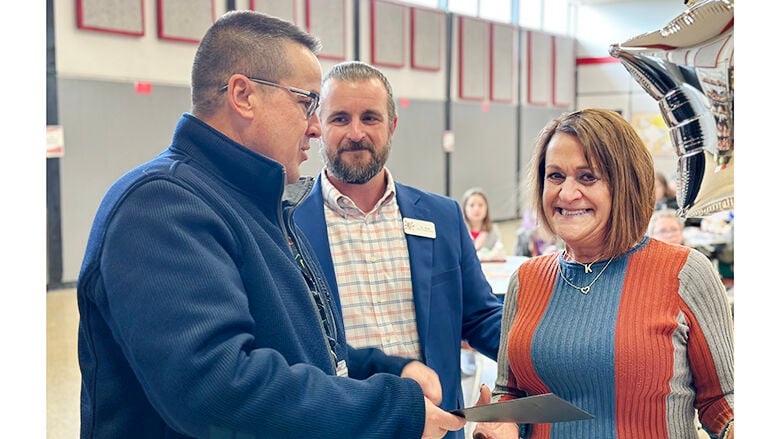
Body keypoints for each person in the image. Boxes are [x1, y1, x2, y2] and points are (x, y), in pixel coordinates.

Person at [76, 11, 466, 439]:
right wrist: (391, 409)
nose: (316, 127)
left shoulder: (258, 206)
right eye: (306, 103)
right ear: (243, 95)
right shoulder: (161, 206)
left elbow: (299, 349)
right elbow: (219, 390)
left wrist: (384, 369)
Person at [472, 109, 734, 439]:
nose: (567, 194)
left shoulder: (684, 272)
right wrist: (502, 424)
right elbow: (510, 392)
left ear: (626, 184)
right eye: (555, 176)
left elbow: (721, 400)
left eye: (587, 177)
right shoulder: (526, 280)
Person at [293, 61, 504, 438]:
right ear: (318, 125)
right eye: (340, 118)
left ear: (391, 126)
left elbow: (481, 317)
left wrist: (551, 351)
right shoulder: (285, 224)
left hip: (436, 428)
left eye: (370, 118)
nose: (356, 133)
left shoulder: (442, 217)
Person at [462, 187, 505, 261]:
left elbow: (499, 252)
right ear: (464, 208)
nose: (476, 209)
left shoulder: (493, 230)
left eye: (480, 205)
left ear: (486, 208)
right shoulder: (460, 230)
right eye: (472, 205)